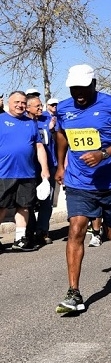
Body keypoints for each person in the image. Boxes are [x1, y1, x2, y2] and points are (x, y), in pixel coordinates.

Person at [54, 64, 111, 314]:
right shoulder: (63, 108)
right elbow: (61, 135)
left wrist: (103, 153)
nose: (78, 93)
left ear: (93, 84)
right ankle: (74, 292)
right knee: (76, 227)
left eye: (83, 88)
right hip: (79, 181)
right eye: (74, 89)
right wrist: (61, 165)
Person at [0, 91, 50, 252]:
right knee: (1, 207)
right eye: (17, 102)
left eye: (23, 103)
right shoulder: (1, 119)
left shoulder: (31, 123)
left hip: (27, 173)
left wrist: (44, 169)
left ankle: (20, 239)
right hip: (4, 173)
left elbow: (39, 146)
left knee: (24, 207)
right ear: (9, 102)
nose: (20, 105)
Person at [25, 94, 58, 246]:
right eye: (37, 106)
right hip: (30, 169)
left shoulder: (48, 120)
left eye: (41, 105)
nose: (40, 108)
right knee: (28, 202)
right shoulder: (23, 123)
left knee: (47, 201)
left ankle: (42, 231)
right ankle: (29, 232)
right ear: (28, 107)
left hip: (48, 167)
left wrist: (52, 130)